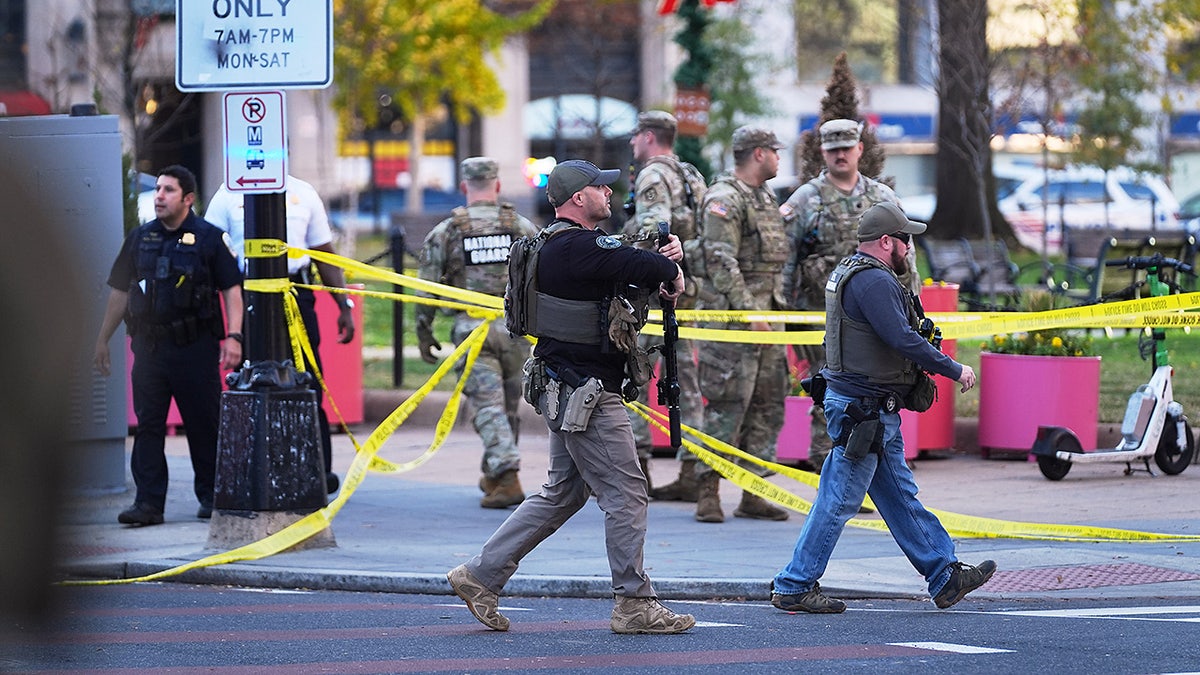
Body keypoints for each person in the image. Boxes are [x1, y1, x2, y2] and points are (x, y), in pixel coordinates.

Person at [447, 159, 695, 635]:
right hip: (588, 395)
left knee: (564, 492)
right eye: (601, 187)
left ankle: (480, 575)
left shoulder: (555, 247)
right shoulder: (577, 248)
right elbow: (637, 263)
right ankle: (635, 603)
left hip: (565, 387)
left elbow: (625, 262)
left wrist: (663, 259)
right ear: (579, 198)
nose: (609, 193)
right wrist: (668, 263)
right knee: (626, 494)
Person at [770, 202, 995, 614]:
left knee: (898, 496)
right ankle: (795, 583)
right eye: (905, 240)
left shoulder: (851, 272)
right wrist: (953, 368)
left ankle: (944, 574)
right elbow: (903, 339)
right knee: (838, 500)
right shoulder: (874, 281)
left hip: (868, 409)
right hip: (864, 410)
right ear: (887, 241)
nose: (910, 248)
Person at [93, 165, 244, 525]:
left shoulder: (210, 239)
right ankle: (148, 504)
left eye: (169, 190)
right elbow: (118, 291)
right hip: (150, 348)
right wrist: (102, 338)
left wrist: (234, 336)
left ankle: (210, 496)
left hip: (195, 346)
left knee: (203, 423)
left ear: (188, 199)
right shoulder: (140, 238)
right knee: (148, 427)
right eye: (158, 189)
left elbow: (231, 290)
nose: (159, 196)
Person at [205, 174, 356, 495]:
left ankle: (317, 470)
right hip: (250, 295)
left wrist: (344, 304)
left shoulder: (303, 191)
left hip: (296, 294)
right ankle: (251, 469)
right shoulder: (228, 194)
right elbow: (209, 252)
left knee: (307, 379)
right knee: (250, 383)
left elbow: (323, 253)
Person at [779, 119, 915, 474]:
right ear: (823, 152)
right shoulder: (806, 200)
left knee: (870, 392)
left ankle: (864, 469)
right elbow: (785, 260)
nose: (840, 154)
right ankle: (830, 466)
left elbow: (905, 257)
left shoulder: (882, 198)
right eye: (833, 148)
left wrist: (912, 309)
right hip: (820, 316)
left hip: (874, 320)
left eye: (846, 147)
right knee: (830, 390)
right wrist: (781, 312)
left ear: (859, 150)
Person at [416, 157, 539, 508]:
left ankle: (508, 474)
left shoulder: (448, 231)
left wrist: (424, 332)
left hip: (473, 332)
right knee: (508, 406)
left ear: (464, 186)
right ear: (498, 186)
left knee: (488, 406)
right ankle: (496, 474)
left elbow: (426, 288)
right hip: (516, 330)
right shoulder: (521, 226)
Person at [691, 126, 792, 524]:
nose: (779, 159)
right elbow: (720, 261)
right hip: (735, 324)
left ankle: (755, 492)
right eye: (774, 151)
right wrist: (750, 313)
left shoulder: (763, 197)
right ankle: (707, 489)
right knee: (726, 407)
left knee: (768, 405)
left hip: (770, 318)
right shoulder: (724, 198)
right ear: (757, 154)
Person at [622, 110, 706, 501]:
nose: (632, 143)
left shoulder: (652, 176)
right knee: (687, 383)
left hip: (655, 295)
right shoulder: (691, 175)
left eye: (635, 135)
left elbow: (654, 233)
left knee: (634, 376)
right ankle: (694, 470)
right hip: (689, 291)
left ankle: (637, 470)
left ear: (649, 137)